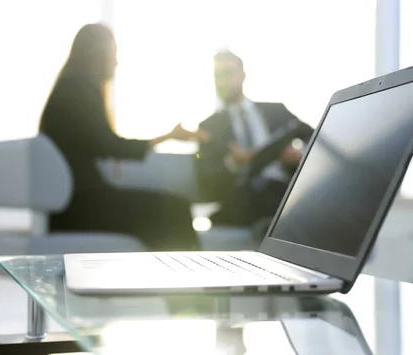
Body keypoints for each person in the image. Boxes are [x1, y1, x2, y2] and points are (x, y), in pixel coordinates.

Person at [39, 23, 208, 251]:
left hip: (70, 207)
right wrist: (170, 136)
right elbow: (111, 145)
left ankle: (168, 283)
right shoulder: (79, 89)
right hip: (81, 208)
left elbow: (98, 143)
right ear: (98, 54)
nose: (116, 62)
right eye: (114, 54)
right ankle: (193, 284)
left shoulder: (69, 88)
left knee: (166, 212)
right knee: (174, 209)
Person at [196, 50, 314, 226]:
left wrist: (300, 154)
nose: (222, 81)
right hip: (244, 195)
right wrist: (232, 163)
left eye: (228, 73)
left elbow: (316, 137)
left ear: (242, 75)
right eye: (217, 75)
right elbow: (206, 176)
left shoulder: (276, 111)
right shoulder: (209, 126)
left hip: (286, 187)